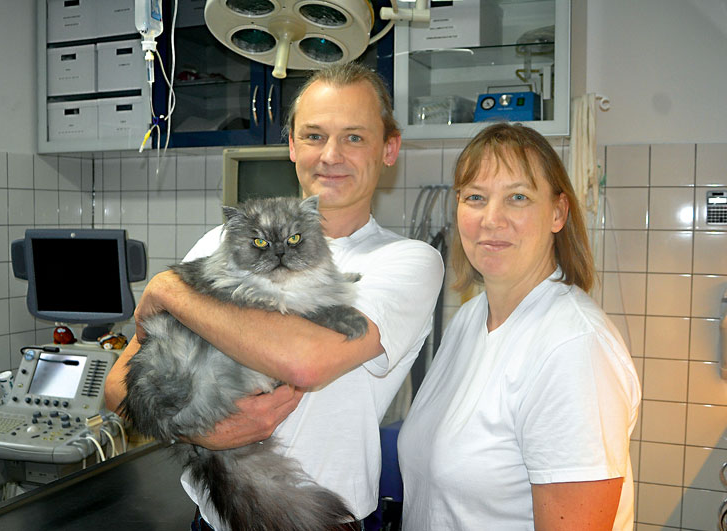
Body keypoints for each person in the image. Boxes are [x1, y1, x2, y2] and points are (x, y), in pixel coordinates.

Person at [104, 62, 444, 530]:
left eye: (354, 137)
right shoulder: (222, 239)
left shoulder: (407, 261)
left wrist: (169, 289)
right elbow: (117, 385)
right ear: (290, 146)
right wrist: (201, 428)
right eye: (313, 135)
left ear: (389, 149)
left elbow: (304, 361)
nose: (331, 155)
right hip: (214, 516)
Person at [398, 123, 641, 530]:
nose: (492, 219)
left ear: (558, 213)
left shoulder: (574, 349)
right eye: (475, 197)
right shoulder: (471, 319)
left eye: (518, 197)